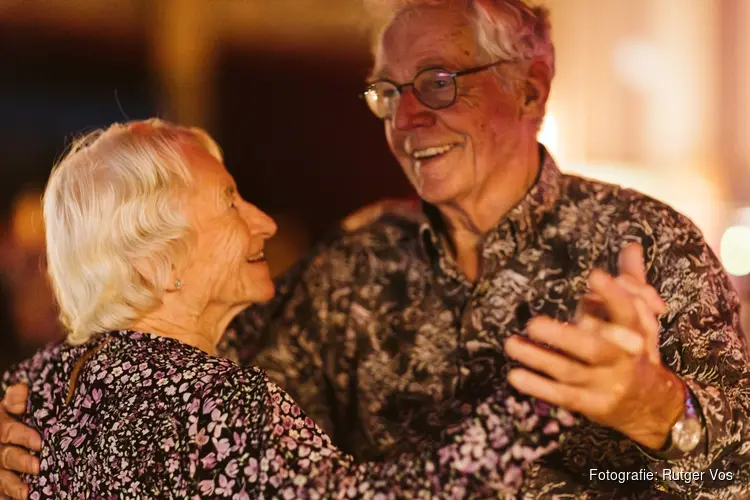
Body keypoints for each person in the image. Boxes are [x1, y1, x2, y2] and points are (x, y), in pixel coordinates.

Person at [2, 0, 749, 497]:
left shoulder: (650, 247)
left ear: (531, 89)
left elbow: (739, 474)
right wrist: (17, 423)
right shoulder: (352, 266)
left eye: (439, 81)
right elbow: (172, 379)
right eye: (388, 93)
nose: (408, 119)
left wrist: (659, 410)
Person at [0, 119, 575, 498]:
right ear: (155, 263)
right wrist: (546, 397)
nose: (266, 223)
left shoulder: (34, 386)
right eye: (230, 203)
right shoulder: (215, 405)